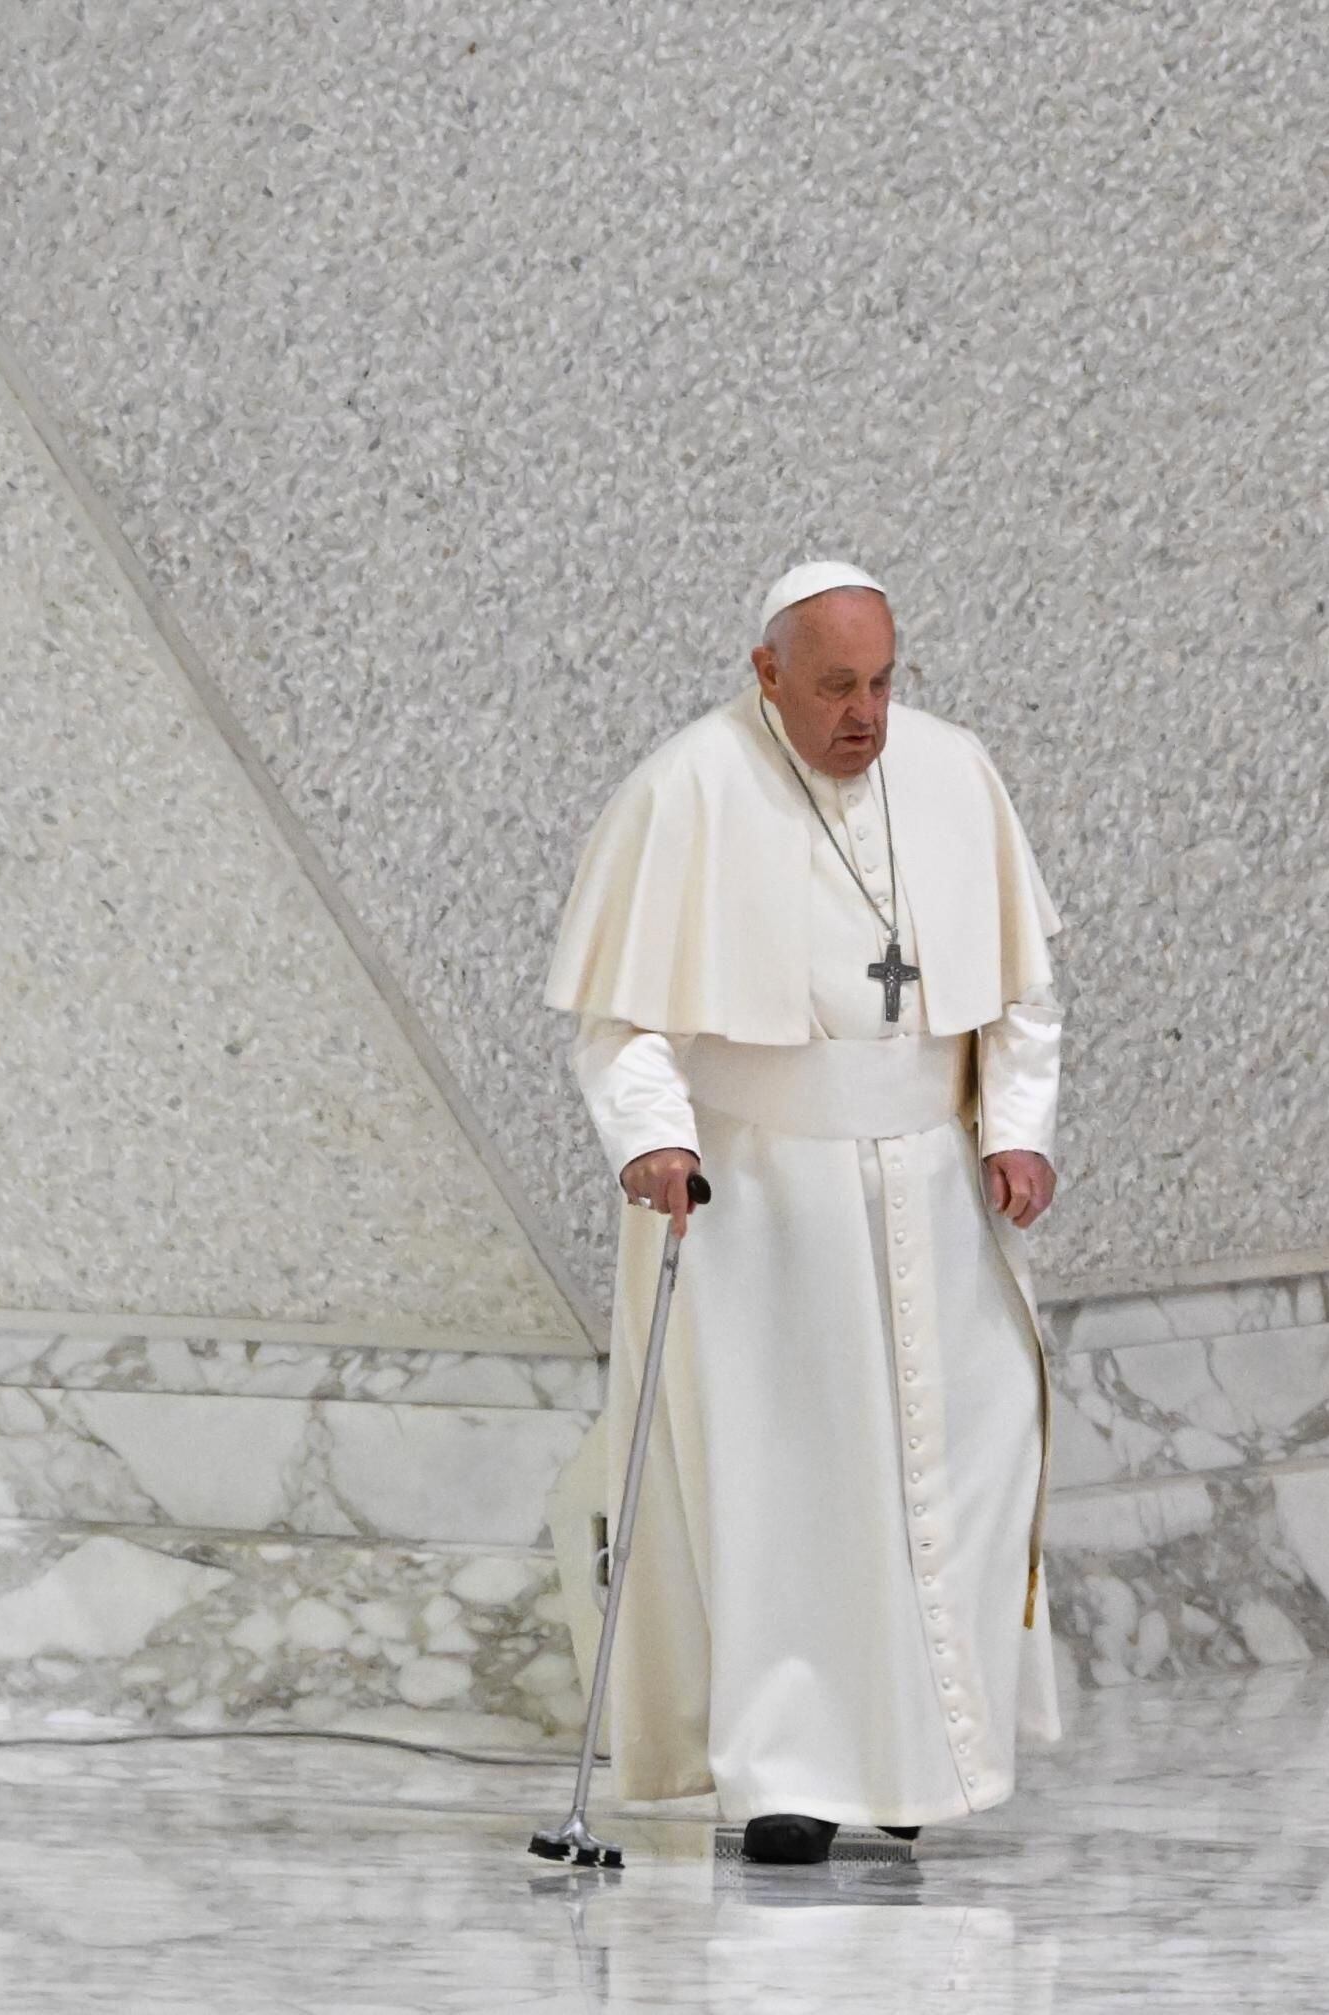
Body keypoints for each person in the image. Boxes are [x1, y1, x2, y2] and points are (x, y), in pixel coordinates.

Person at [544, 559, 1065, 1865]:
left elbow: (1020, 994)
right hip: (761, 1199)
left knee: (944, 1469)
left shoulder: (954, 775)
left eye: (884, 681)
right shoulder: (689, 791)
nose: (867, 715)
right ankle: (781, 1771)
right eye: (837, 685)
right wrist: (656, 1139)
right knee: (782, 1487)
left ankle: (912, 1763)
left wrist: (1015, 1132)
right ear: (767, 672)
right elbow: (623, 1023)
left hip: (932, 1194)